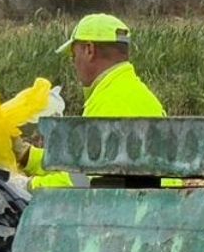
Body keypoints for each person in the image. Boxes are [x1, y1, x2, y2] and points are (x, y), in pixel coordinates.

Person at [18, 13, 167, 190]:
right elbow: (78, 162)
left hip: (129, 211)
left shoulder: (107, 102)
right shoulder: (137, 94)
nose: (74, 64)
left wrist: (26, 185)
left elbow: (80, 182)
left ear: (89, 50)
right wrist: (28, 156)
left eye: (73, 56)